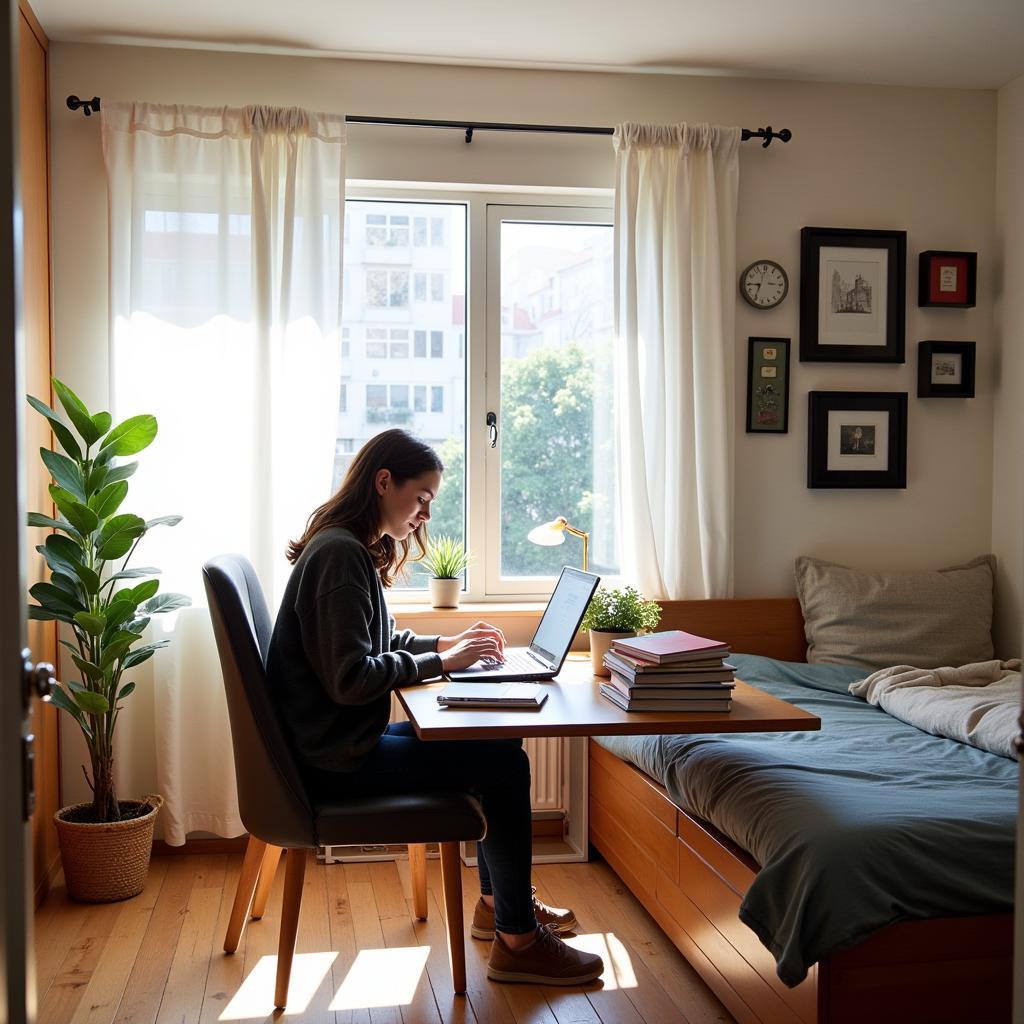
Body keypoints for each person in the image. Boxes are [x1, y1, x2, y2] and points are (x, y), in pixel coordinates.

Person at [266, 428, 603, 986]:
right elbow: (351, 679)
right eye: (420, 498)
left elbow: (378, 643)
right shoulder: (339, 557)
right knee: (504, 764)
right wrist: (444, 664)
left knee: (496, 745)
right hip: (335, 761)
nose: (424, 514)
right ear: (383, 482)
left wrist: (445, 649)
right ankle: (518, 944)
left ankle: (500, 909)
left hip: (336, 744)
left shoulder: (345, 547)